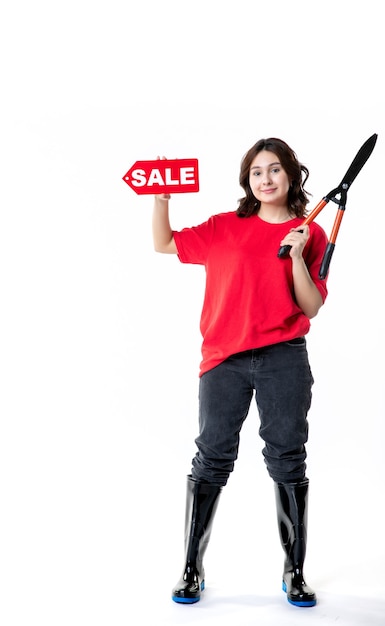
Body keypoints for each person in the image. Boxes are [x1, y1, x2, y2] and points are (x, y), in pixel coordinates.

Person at [152, 138, 328, 608]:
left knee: (288, 458)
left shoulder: (310, 233)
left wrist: (294, 256)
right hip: (223, 360)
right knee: (210, 458)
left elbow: (312, 304)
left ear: (291, 175)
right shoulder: (223, 227)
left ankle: (295, 571)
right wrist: (162, 201)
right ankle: (192, 567)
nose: (265, 178)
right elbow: (164, 243)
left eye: (274, 170)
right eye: (256, 172)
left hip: (284, 358)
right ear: (247, 180)